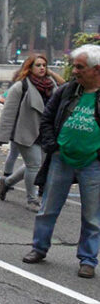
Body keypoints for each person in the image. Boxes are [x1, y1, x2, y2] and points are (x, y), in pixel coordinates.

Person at [22, 45, 100, 279]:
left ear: (96, 70)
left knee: (92, 215)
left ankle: (88, 259)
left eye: (80, 67)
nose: (74, 71)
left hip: (93, 163)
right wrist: (52, 147)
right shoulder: (67, 91)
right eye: (74, 66)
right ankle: (39, 248)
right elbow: (47, 118)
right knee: (47, 208)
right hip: (61, 159)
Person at [0, 54, 58, 210]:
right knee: (34, 164)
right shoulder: (20, 86)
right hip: (25, 132)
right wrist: (2, 137)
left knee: (34, 165)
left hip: (45, 133)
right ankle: (32, 200)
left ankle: (7, 182)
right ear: (30, 68)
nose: (42, 68)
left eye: (44, 65)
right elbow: (8, 113)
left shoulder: (52, 86)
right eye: (38, 65)